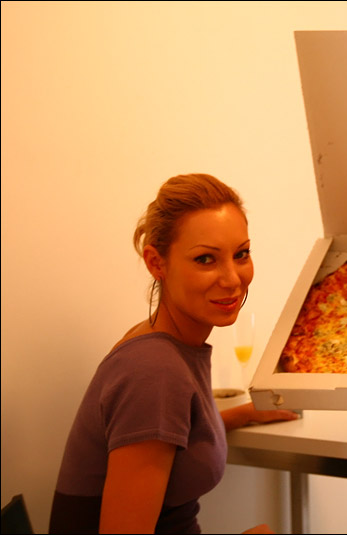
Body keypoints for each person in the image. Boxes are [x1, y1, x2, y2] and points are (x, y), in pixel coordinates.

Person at [49, 173, 299, 534]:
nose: (232, 278)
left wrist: (242, 414)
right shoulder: (154, 370)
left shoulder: (158, 340)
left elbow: (172, 433)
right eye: (205, 259)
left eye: (241, 254)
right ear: (156, 263)